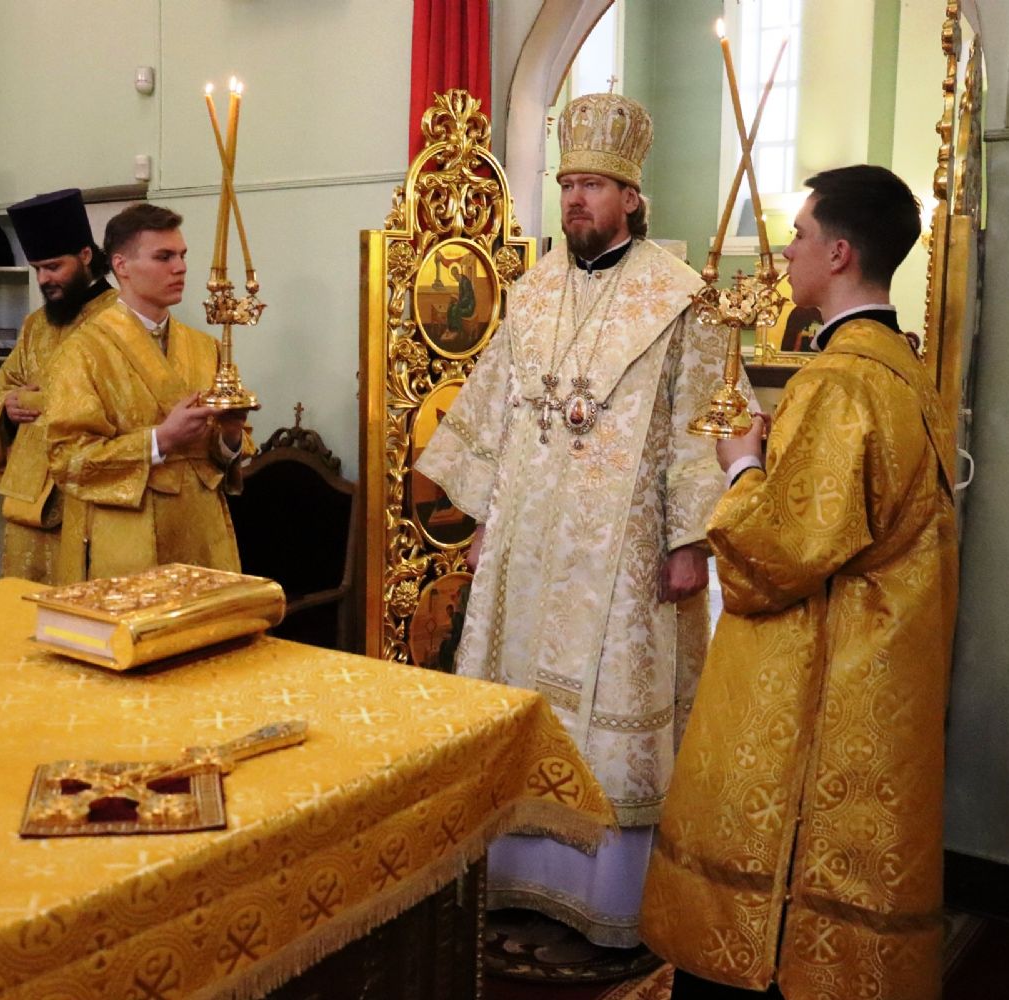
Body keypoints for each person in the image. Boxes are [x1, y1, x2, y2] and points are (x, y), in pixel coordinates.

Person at [414, 93, 737, 972]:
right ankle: (514, 883)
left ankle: (606, 908)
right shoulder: (533, 290)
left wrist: (689, 541)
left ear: (631, 196)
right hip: (530, 546)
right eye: (566, 186)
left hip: (623, 556)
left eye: (592, 186)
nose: (575, 200)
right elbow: (495, 411)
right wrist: (485, 521)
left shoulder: (681, 299)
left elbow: (698, 426)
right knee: (522, 701)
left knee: (611, 717)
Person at [640, 165, 958, 1000]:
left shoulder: (839, 381)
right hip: (883, 663)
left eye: (802, 235)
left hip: (827, 673)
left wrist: (742, 464)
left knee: (776, 908)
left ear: (840, 253)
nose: (787, 251)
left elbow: (775, 553)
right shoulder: (903, 369)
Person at [44, 203, 249, 581]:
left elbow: (222, 460)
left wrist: (231, 436)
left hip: (201, 535)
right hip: (128, 534)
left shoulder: (204, 347)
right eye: (164, 257)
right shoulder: (83, 351)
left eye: (182, 255)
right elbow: (68, 460)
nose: (180, 267)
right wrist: (160, 440)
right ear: (121, 265)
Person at [0, 188, 116, 584]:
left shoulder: (118, 322)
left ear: (86, 255)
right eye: (37, 268)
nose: (44, 279)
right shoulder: (35, 325)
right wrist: (8, 405)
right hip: (27, 502)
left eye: (54, 267)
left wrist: (51, 405)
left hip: (84, 497)